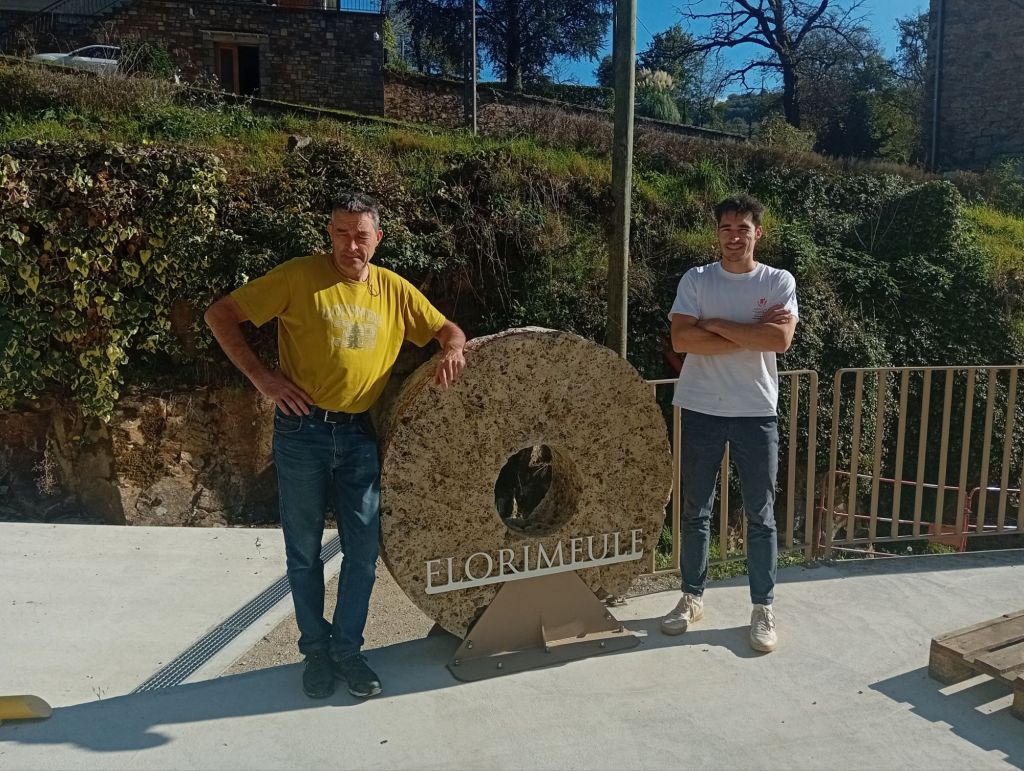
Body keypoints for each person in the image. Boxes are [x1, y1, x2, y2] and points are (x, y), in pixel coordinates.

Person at [204, 192, 466, 698]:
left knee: (363, 552)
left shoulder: (392, 289)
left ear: (378, 239)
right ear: (329, 235)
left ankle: (348, 652)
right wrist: (264, 379)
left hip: (358, 434)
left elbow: (445, 328)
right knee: (303, 552)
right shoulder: (299, 276)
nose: (351, 245)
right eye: (342, 234)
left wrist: (453, 347)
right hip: (302, 431)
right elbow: (221, 314)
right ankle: (315, 654)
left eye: (361, 235)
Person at [660, 194, 798, 653]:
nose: (734, 237)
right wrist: (747, 332)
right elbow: (682, 338)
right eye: (726, 229)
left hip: (755, 410)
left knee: (760, 515)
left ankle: (762, 607)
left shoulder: (778, 280)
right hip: (700, 406)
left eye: (743, 228)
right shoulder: (697, 279)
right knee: (695, 511)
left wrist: (714, 325)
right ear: (716, 233)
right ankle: (691, 597)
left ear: (758, 232)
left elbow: (779, 340)